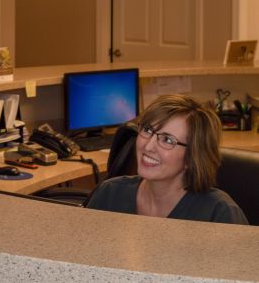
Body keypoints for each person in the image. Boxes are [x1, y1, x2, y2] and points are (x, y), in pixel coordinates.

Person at [86, 94, 248, 225]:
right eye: (147, 130)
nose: (148, 146)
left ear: (192, 157)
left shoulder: (220, 214)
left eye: (167, 140)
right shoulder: (109, 194)